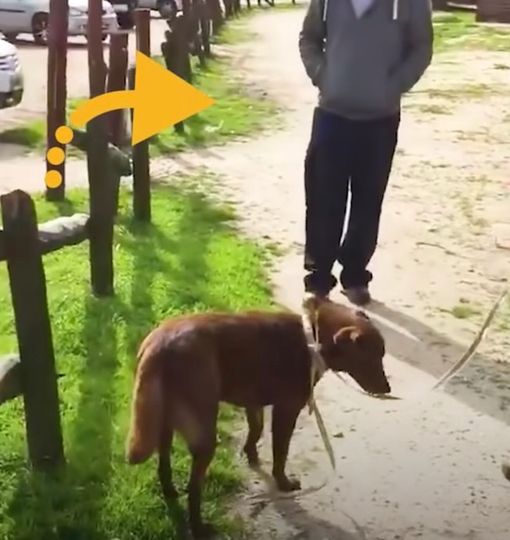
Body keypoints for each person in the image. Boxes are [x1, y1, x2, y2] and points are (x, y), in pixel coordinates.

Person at [299, 0, 433, 306]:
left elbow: (421, 47)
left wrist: (394, 86)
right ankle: (318, 278)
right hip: (332, 114)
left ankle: (355, 275)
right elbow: (309, 38)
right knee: (322, 197)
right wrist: (322, 75)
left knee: (368, 200)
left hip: (381, 120)